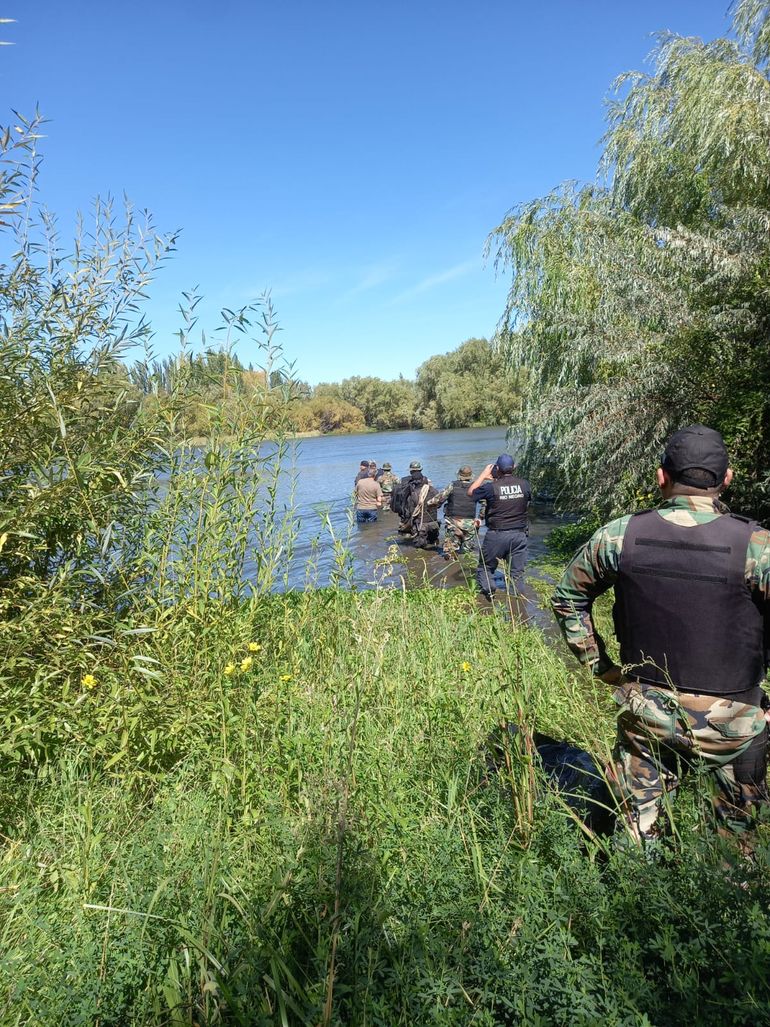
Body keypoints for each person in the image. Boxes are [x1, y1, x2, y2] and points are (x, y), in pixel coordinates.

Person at [551, 425, 770, 846]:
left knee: (637, 832)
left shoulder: (620, 535)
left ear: (660, 477)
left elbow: (567, 598)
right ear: (727, 479)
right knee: (736, 847)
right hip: (735, 725)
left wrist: (602, 667)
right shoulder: (755, 546)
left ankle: (634, 892)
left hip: (647, 712)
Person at [468, 454, 531, 598]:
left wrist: (483, 476)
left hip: (497, 535)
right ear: (513, 468)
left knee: (485, 567)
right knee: (517, 573)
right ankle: (517, 603)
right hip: (519, 535)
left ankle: (489, 593)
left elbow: (471, 493)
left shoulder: (491, 488)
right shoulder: (525, 484)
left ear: (497, 468)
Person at [430, 465, 482, 561]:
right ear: (471, 476)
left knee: (450, 550)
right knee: (468, 552)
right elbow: (485, 503)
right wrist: (480, 518)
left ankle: (450, 558)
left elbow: (439, 499)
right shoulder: (476, 487)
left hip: (453, 522)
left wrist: (429, 503)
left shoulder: (452, 486)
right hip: (470, 524)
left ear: (459, 475)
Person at [392, 460, 439, 547]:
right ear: (421, 470)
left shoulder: (404, 481)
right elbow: (435, 497)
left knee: (415, 539)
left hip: (411, 513)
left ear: (410, 471)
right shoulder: (428, 481)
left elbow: (400, 498)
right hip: (426, 513)